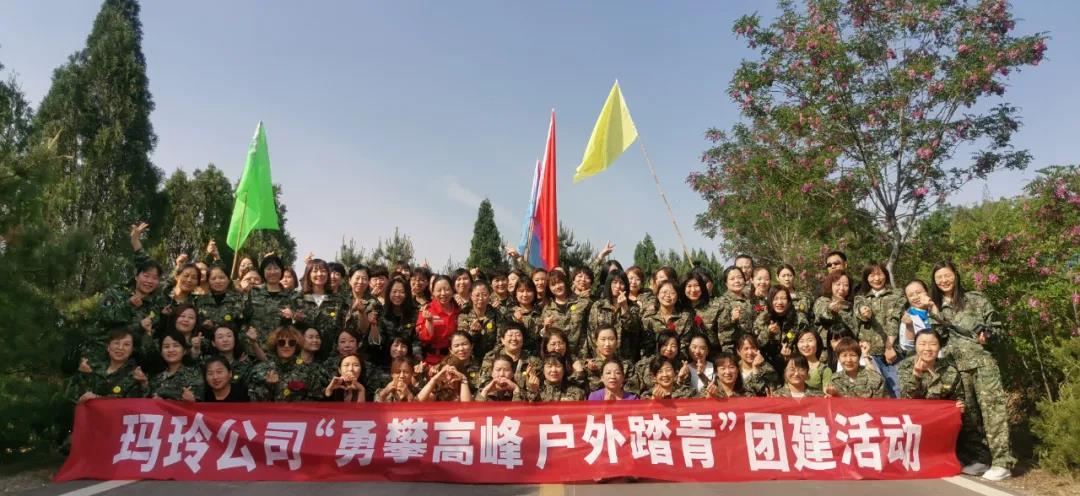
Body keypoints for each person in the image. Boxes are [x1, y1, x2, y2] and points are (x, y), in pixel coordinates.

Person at [930, 261, 1014, 480]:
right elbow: (939, 338)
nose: (944, 281)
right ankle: (980, 459)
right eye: (939, 278)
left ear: (956, 275)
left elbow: (998, 328)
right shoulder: (936, 308)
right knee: (969, 417)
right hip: (958, 368)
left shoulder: (976, 299)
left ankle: (1002, 462)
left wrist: (988, 335)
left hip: (983, 364)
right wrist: (934, 315)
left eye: (947, 275)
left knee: (993, 412)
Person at [854, 262, 906, 397]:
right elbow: (859, 310)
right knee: (872, 394)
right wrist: (864, 312)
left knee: (897, 391)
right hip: (869, 354)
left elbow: (894, 319)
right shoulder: (861, 297)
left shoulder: (897, 295)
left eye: (880, 274)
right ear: (866, 278)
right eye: (872, 275)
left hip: (892, 354)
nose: (876, 279)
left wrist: (889, 347)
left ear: (886, 275)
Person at [69, 328, 149, 403]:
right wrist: (82, 374)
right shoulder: (92, 368)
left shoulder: (135, 374)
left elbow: (131, 405)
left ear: (132, 350)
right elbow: (71, 397)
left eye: (126, 344)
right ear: (108, 347)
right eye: (116, 343)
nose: (120, 348)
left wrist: (97, 398)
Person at [248, 326, 324, 401]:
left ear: (296, 345)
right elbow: (255, 402)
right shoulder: (262, 369)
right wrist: (268, 386)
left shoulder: (307, 371)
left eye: (291, 342)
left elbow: (316, 398)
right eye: (281, 342)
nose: (286, 345)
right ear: (275, 344)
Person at [290, 259, 347, 358]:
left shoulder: (339, 300)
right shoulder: (297, 299)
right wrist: (294, 319)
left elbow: (343, 327)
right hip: (303, 355)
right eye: (315, 271)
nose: (320, 274)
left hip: (331, 356)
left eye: (323, 271)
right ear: (308, 274)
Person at [586, 270, 642, 360]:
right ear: (609, 284)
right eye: (614, 282)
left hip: (625, 359)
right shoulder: (598, 306)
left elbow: (634, 331)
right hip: (602, 358)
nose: (618, 286)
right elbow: (592, 334)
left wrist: (624, 308)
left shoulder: (633, 307)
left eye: (621, 283)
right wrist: (599, 357)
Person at [754, 285, 807, 370]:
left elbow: (802, 338)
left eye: (783, 298)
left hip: (793, 363)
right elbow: (757, 344)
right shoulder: (763, 318)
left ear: (789, 301)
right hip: (767, 364)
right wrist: (767, 332)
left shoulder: (798, 318)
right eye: (775, 299)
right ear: (770, 301)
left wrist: (789, 348)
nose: (779, 302)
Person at [539, 270, 590, 358]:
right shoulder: (547, 309)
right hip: (557, 356)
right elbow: (544, 337)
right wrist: (545, 328)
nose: (557, 286)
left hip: (580, 355)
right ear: (549, 288)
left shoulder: (582, 302)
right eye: (553, 285)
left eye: (560, 282)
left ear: (565, 283)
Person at [246, 255, 294, 345]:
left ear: (281, 271)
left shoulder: (291, 296)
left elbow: (299, 321)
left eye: (276, 268)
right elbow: (243, 318)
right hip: (255, 346)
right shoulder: (253, 292)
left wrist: (293, 316)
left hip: (281, 347)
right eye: (268, 269)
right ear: (263, 272)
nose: (272, 272)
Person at [641, 280, 697, 358]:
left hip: (677, 360)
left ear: (677, 296)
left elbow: (685, 346)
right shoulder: (649, 317)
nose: (668, 295)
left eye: (672, 293)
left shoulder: (685, 318)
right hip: (653, 361)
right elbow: (645, 347)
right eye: (664, 292)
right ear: (657, 295)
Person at [416, 275, 461, 365]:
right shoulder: (427, 310)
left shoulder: (458, 310)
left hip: (454, 359)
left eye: (447, 289)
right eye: (439, 290)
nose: (443, 293)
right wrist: (429, 321)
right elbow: (423, 338)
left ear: (453, 290)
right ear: (432, 292)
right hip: (432, 360)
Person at [574, 327, 633, 393]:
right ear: (596, 342)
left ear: (617, 342)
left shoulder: (626, 365)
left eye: (611, 339)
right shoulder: (586, 365)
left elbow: (631, 392)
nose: (607, 344)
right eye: (603, 339)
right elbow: (577, 389)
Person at [148, 332, 203, 401]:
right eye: (166, 347)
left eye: (176, 345)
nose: (171, 350)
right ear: (161, 352)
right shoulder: (156, 378)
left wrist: (192, 400)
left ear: (184, 351)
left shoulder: (194, 374)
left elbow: (201, 401)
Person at [629, 330, 685, 396]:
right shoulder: (643, 366)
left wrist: (680, 380)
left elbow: (686, 393)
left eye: (673, 346)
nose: (669, 349)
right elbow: (631, 393)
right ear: (659, 346)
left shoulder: (682, 368)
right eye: (665, 345)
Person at [714, 266, 755, 354]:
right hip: (733, 350)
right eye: (732, 279)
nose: (737, 281)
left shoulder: (750, 300)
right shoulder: (721, 302)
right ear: (726, 283)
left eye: (740, 277)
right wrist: (732, 319)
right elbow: (721, 330)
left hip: (751, 349)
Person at [457, 280, 501, 360]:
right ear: (471, 296)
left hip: (492, 358)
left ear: (489, 296)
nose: (481, 298)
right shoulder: (464, 315)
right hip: (470, 358)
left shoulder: (496, 314)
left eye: (484, 295)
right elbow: (462, 341)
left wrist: (490, 357)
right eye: (477, 295)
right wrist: (473, 332)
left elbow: (500, 340)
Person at [516, 353, 586, 402]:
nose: (554, 370)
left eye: (558, 366)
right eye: (549, 366)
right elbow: (527, 412)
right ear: (543, 370)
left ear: (564, 369)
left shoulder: (578, 392)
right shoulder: (530, 391)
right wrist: (533, 391)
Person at [813, 271, 858, 343]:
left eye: (846, 285)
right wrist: (830, 310)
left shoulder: (852, 305)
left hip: (849, 347)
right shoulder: (822, 301)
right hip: (829, 346)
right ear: (830, 285)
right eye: (838, 284)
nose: (842, 288)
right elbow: (822, 311)